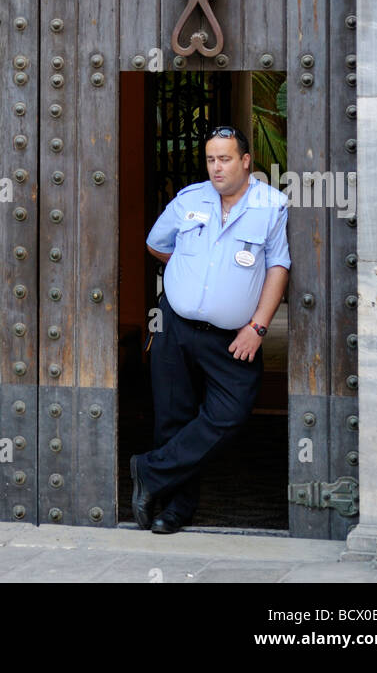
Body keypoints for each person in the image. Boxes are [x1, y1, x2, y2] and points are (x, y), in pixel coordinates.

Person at [130, 125, 290, 534]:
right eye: (211, 159)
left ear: (246, 161)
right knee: (172, 419)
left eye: (225, 159)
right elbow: (156, 244)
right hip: (175, 325)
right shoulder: (189, 200)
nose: (216, 168)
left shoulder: (272, 206)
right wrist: (191, 274)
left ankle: (149, 472)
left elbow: (278, 267)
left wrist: (258, 326)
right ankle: (173, 509)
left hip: (233, 335)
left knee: (230, 414)